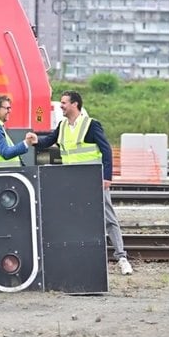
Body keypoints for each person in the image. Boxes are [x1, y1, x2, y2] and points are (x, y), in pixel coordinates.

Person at [35, 91, 133, 275]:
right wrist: (34, 141)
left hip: (93, 181)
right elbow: (48, 141)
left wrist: (107, 177)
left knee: (109, 219)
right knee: (72, 218)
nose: (61, 106)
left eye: (64, 103)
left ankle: (122, 258)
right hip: (71, 182)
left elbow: (106, 151)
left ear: (75, 104)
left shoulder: (91, 125)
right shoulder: (62, 126)